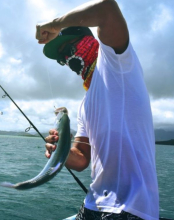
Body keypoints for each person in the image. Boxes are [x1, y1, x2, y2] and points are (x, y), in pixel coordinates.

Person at [36, 0, 159, 219]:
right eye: (62, 58)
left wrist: (55, 25)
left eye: (70, 49)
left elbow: (106, 8)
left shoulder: (116, 62)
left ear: (90, 41)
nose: (68, 59)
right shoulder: (85, 104)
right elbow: (82, 159)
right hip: (93, 204)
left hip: (129, 208)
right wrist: (60, 151)